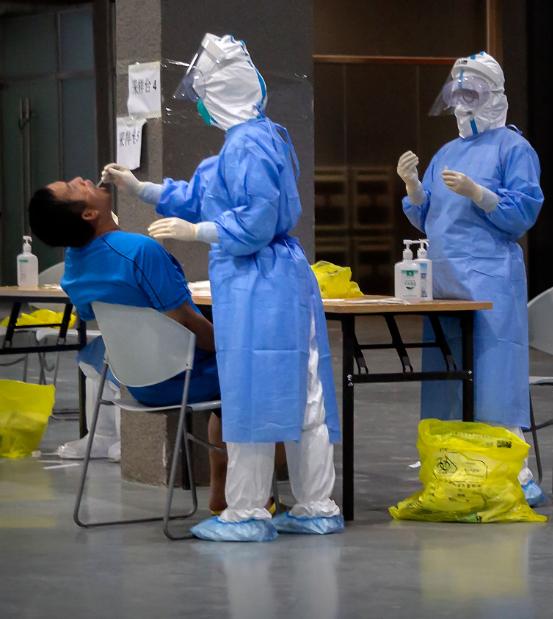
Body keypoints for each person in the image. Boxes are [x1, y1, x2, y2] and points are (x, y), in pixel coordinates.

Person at [101, 33, 342, 541]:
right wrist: (139, 186)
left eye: (205, 93)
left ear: (221, 92)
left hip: (262, 282)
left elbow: (256, 219)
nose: (202, 105)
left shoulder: (250, 144)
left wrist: (198, 233)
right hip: (268, 281)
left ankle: (249, 512)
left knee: (255, 393)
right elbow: (201, 194)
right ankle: (316, 504)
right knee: (300, 394)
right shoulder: (248, 141)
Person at [397, 51, 546, 506]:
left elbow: (522, 214)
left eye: (471, 93)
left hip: (489, 281)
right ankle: (453, 464)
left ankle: (511, 469)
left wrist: (480, 193)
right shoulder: (448, 151)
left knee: (494, 371)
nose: (462, 103)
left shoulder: (514, 149)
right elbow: (431, 221)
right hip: (444, 285)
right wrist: (414, 189)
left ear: (493, 95)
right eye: (456, 94)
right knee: (446, 374)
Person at [27, 177, 228, 513]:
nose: (81, 179)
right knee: (257, 377)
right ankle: (253, 494)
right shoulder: (141, 250)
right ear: (89, 213)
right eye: (74, 187)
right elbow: (185, 320)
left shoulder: (74, 268)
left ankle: (224, 494)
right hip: (181, 375)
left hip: (136, 383)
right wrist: (233, 349)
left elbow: (94, 310)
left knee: (230, 388)